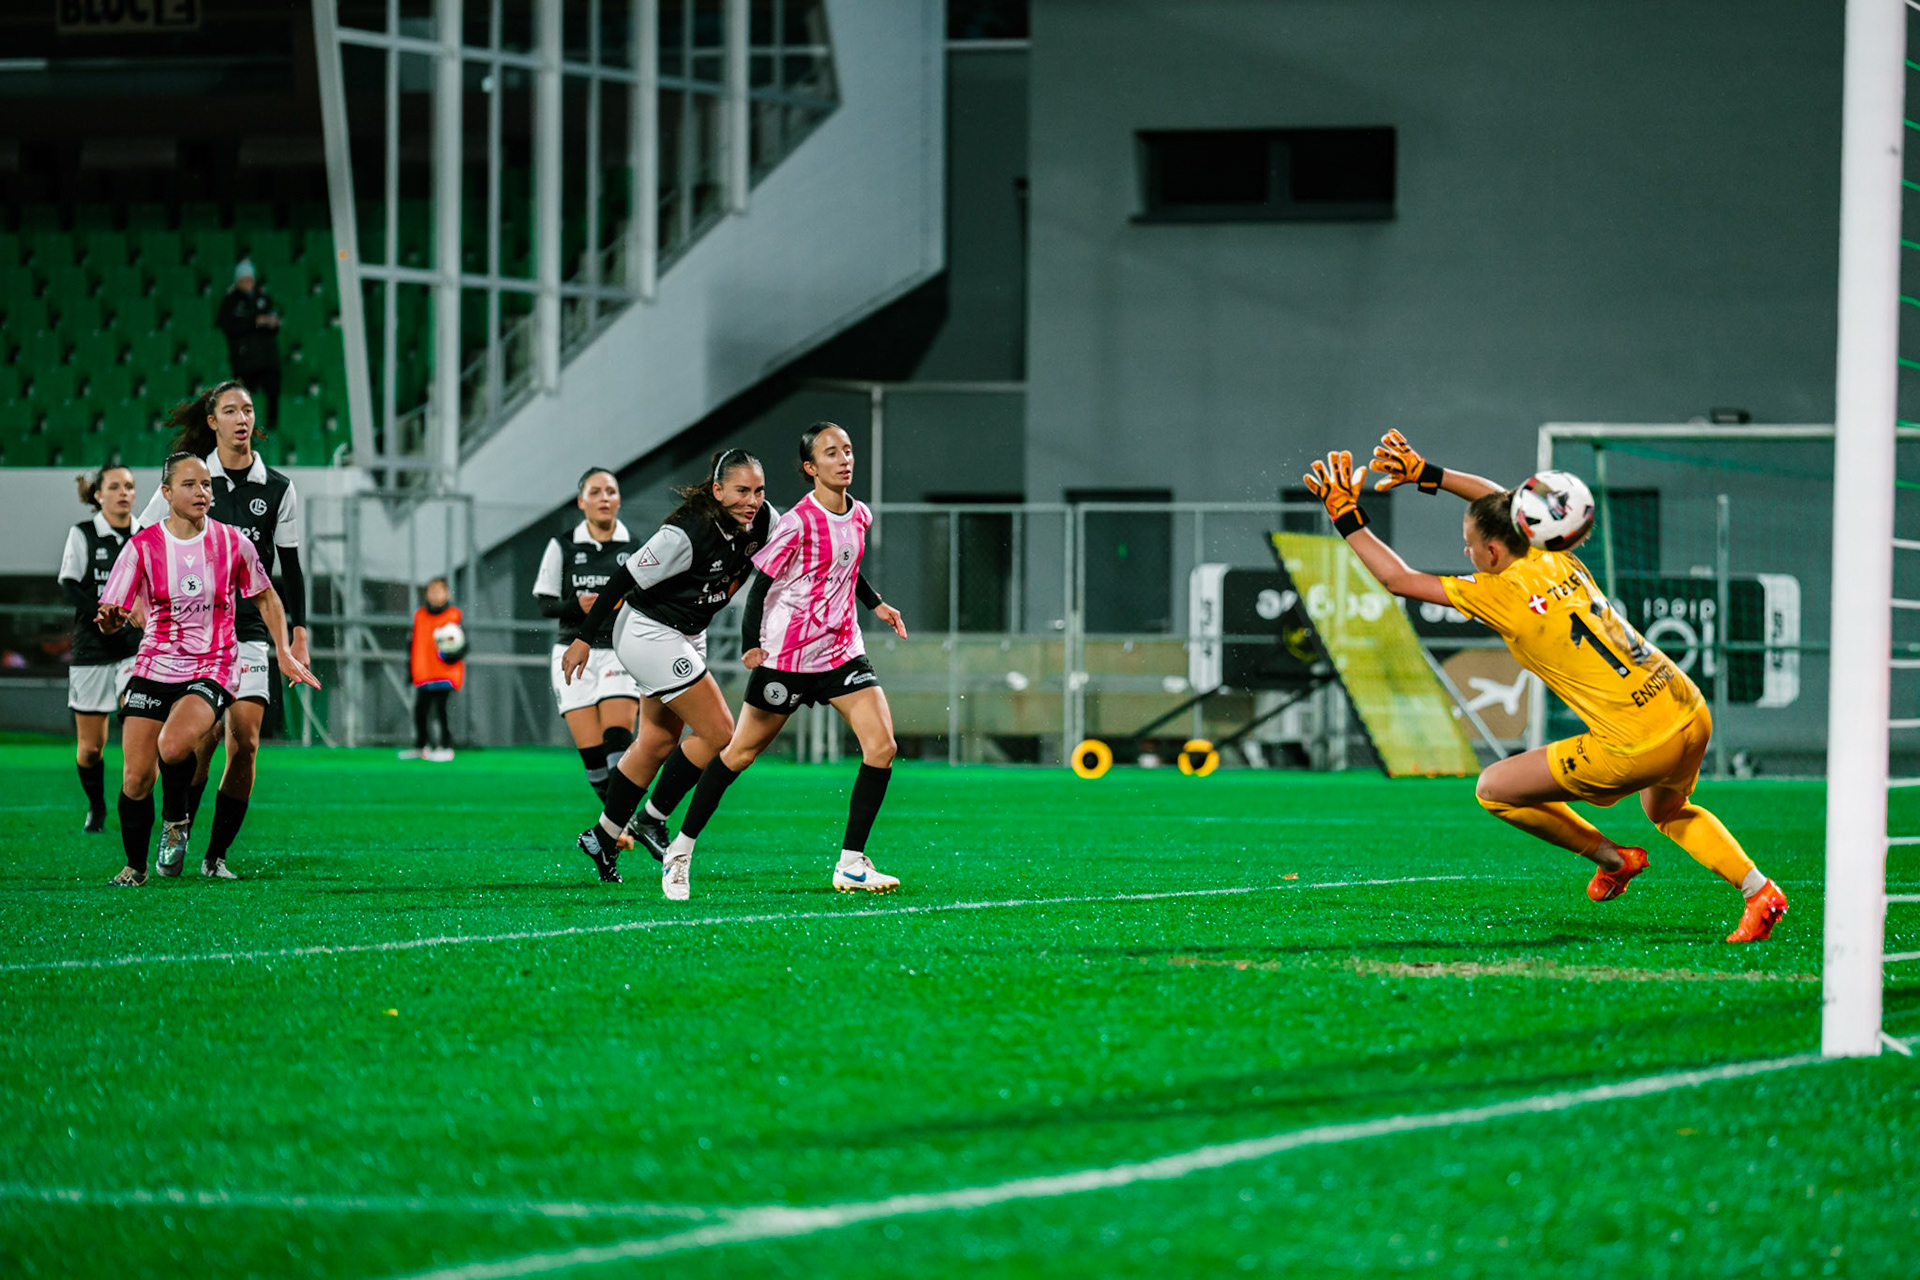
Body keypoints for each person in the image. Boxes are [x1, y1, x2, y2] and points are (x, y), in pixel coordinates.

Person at [1300, 431, 1788, 943]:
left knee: (1494, 790)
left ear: (1492, 551)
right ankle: (1759, 891)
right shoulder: (1550, 554)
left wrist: (1344, 514)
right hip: (1686, 705)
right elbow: (1501, 500)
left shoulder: (1496, 592)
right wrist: (1429, 474)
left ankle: (1612, 858)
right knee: (1667, 812)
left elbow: (1398, 579)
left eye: (1468, 546)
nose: (1463, 552)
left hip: (1637, 742)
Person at [655, 423, 909, 902]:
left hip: (841, 653)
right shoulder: (796, 522)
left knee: (882, 747)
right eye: (831, 453)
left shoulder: (860, 516)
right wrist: (753, 644)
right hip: (788, 658)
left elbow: (846, 568)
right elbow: (762, 585)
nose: (844, 459)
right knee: (738, 754)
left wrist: (875, 603)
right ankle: (681, 850)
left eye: (848, 451)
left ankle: (852, 863)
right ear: (811, 468)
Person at [96, 452, 319, 886]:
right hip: (155, 663)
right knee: (136, 776)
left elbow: (267, 597)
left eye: (206, 485)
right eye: (190, 485)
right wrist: (110, 618)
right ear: (166, 493)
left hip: (213, 663)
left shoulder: (231, 542)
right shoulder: (142, 547)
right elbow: (116, 607)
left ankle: (177, 819)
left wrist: (285, 649)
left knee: (176, 745)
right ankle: (135, 868)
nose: (202, 492)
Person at [566, 449, 776, 883]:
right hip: (647, 631)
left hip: (685, 633)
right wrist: (584, 638)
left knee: (657, 741)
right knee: (720, 732)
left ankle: (602, 837)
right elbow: (622, 581)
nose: (752, 500)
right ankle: (651, 819)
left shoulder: (765, 519)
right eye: (741, 490)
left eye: (758, 490)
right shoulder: (684, 534)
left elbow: (805, 540)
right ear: (717, 491)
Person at [140, 381, 308, 877]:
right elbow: (145, 542)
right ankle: (177, 826)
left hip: (251, 628)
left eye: (249, 410)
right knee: (200, 742)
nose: (242, 419)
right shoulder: (190, 478)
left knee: (246, 740)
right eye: (230, 410)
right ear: (212, 421)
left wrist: (298, 636)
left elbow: (291, 568)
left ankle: (215, 857)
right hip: (195, 633)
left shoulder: (278, 488)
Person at [533, 468, 641, 801]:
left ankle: (615, 822)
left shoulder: (635, 547)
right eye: (595, 492)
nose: (604, 498)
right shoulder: (562, 546)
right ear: (581, 501)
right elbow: (546, 605)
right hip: (571, 650)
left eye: (610, 491)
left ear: (619, 499)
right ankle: (615, 821)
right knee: (593, 758)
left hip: (619, 649)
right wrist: (577, 605)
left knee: (617, 739)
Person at [59, 464, 141, 833]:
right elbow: (70, 586)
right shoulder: (83, 534)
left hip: (136, 649)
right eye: (115, 486)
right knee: (91, 748)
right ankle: (97, 808)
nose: (124, 492)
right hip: (92, 649)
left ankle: (137, 805)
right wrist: (105, 613)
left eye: (129, 486)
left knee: (138, 726)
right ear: (98, 495)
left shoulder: (147, 535)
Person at [214, 258, 281, 433]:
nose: (247, 284)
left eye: (250, 280)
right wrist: (256, 322)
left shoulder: (263, 298)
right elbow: (228, 325)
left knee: (273, 388)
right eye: (243, 280)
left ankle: (272, 427)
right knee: (243, 397)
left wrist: (272, 323)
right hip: (244, 359)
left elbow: (273, 321)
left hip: (266, 356)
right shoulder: (231, 301)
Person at [408, 577, 466, 762]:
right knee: (420, 711)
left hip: (445, 674)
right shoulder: (420, 616)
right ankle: (421, 746)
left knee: (442, 711)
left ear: (447, 593)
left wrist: (451, 655)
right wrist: (409, 670)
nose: (435, 595)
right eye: (432, 591)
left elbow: (463, 645)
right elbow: (413, 644)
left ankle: (446, 746)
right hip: (424, 673)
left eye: (439, 591)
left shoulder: (453, 616)